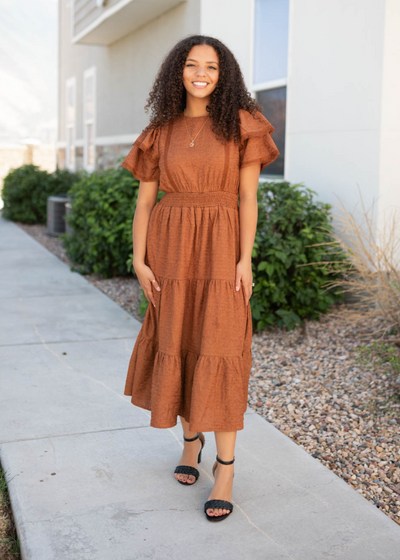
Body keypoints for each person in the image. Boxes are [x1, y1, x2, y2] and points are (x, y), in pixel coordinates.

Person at [121, 35, 279, 522]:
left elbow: (248, 199)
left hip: (220, 248)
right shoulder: (160, 130)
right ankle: (190, 444)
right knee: (182, 341)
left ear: (223, 73)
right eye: (192, 65)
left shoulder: (242, 124)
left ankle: (225, 469)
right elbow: (146, 201)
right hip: (169, 251)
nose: (201, 73)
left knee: (220, 348)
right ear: (178, 72)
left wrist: (244, 260)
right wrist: (139, 260)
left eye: (211, 66)